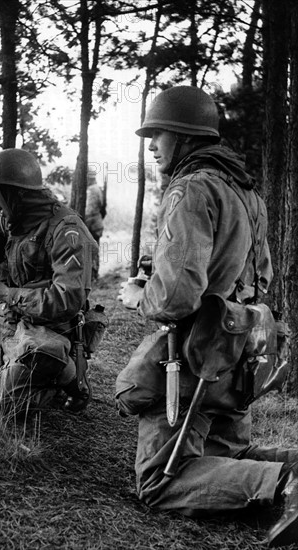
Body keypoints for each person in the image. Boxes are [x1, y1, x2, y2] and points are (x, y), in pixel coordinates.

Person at [115, 85, 298, 547]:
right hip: (238, 351)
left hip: (195, 358)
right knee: (227, 451)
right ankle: (291, 466)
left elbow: (175, 296)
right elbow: (260, 275)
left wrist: (139, 296)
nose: (151, 144)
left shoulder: (192, 186)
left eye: (158, 133)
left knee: (158, 482)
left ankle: (285, 486)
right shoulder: (244, 190)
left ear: (184, 136)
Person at [0, 148, 98, 418]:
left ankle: (66, 377)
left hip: (47, 332)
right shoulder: (12, 221)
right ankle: (12, 370)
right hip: (8, 325)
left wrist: (7, 294)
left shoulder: (67, 230)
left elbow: (67, 301)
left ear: (19, 192)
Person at [85, 169, 106, 280]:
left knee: (91, 250)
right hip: (95, 224)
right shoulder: (96, 189)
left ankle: (93, 276)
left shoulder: (92, 190)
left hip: (92, 225)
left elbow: (90, 210)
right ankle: (93, 275)